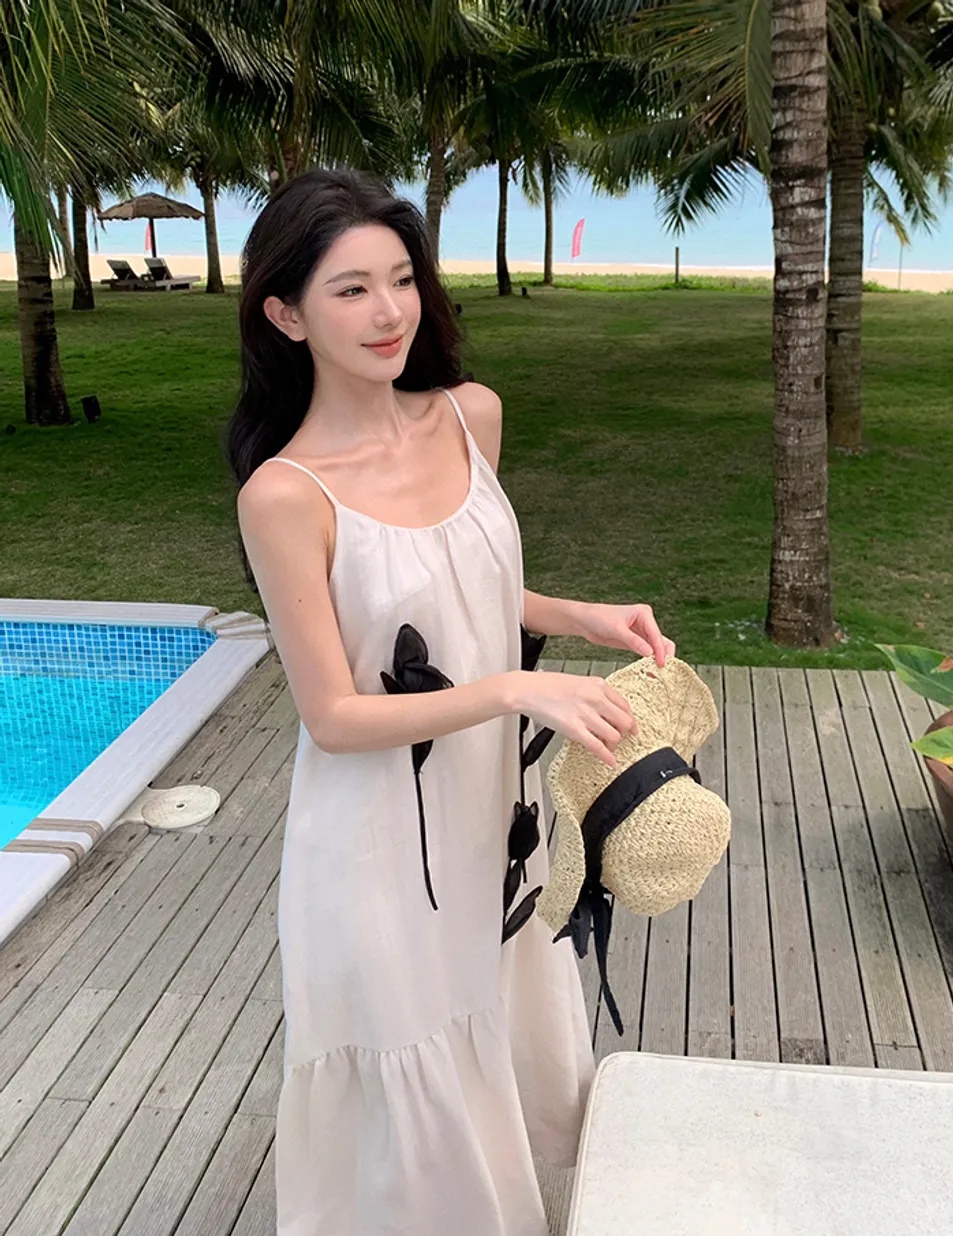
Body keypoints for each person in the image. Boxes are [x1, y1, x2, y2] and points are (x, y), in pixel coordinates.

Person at [226, 166, 676, 1236]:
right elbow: (334, 715)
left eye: (401, 279)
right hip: (373, 843)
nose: (389, 312)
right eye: (350, 290)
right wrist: (514, 685)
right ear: (285, 315)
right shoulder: (284, 494)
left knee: (492, 994)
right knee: (408, 1044)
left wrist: (578, 615)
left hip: (487, 811)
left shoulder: (471, 416)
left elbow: (460, 587)